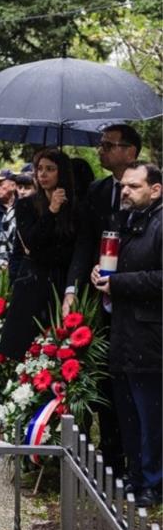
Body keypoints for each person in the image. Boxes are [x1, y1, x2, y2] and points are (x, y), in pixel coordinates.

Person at [65, 124, 143, 474]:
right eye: (101, 144)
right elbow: (84, 244)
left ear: (131, 151)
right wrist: (71, 289)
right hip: (100, 299)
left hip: (138, 301)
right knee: (103, 377)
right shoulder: (97, 192)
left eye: (110, 145)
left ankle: (139, 459)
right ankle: (111, 455)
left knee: (134, 381)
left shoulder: (149, 189)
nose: (102, 150)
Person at [90, 160, 161, 507]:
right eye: (124, 186)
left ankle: (152, 483)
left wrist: (118, 284)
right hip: (123, 332)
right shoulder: (127, 222)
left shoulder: (159, 224)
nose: (126, 191)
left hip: (151, 337)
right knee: (129, 414)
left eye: (134, 186)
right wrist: (102, 277)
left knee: (151, 416)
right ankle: (135, 477)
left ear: (155, 190)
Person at [0, 148, 78, 360]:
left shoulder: (76, 206)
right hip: (33, 280)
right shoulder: (26, 205)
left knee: (58, 348)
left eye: (50, 169)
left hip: (61, 281)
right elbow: (32, 242)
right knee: (24, 347)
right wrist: (51, 212)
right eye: (39, 169)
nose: (43, 174)